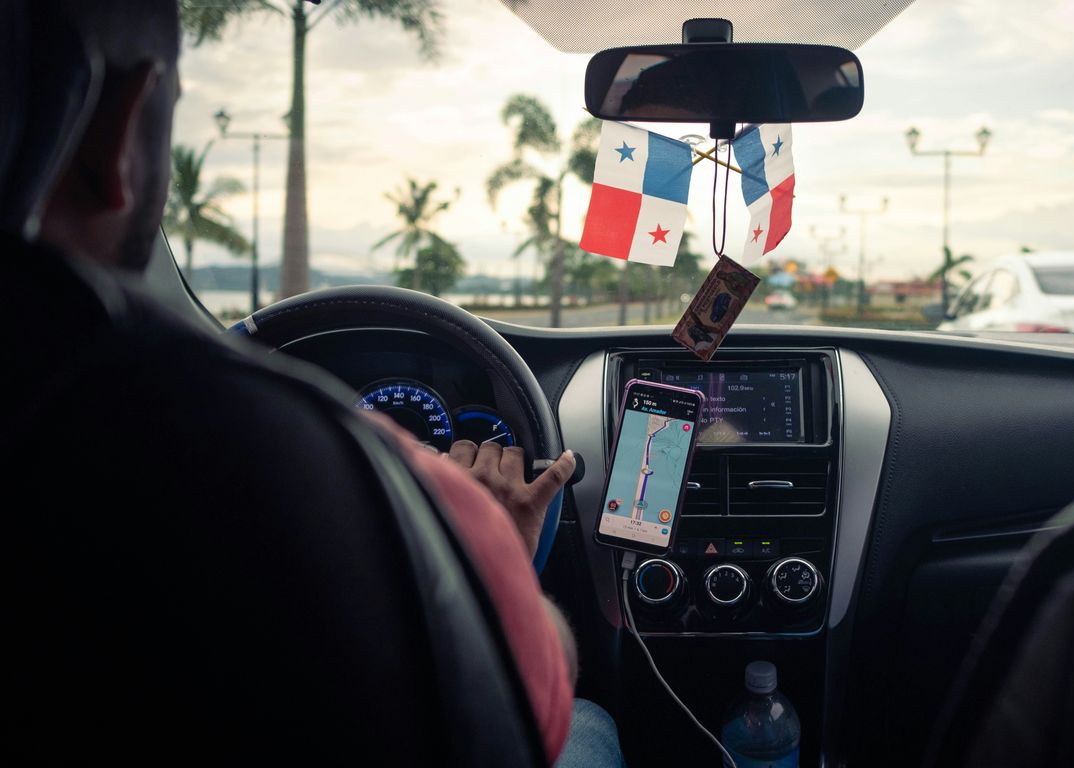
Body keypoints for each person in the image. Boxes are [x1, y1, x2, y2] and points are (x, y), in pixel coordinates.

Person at [1, 1, 622, 764]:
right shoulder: (284, 448)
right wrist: (488, 544)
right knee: (590, 722)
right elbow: (535, 691)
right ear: (123, 128)